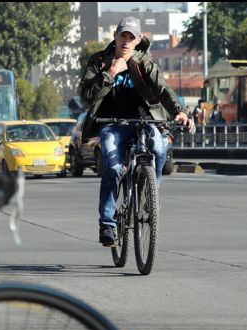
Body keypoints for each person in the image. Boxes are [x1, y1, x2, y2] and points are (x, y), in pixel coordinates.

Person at [78, 16, 193, 247]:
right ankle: (108, 225)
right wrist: (111, 72)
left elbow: (162, 88)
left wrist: (179, 111)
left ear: (138, 40)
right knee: (112, 165)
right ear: (115, 36)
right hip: (112, 123)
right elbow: (86, 96)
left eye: (132, 37)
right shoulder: (99, 61)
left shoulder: (144, 63)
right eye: (123, 36)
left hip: (144, 121)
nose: (126, 41)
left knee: (160, 147)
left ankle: (151, 196)